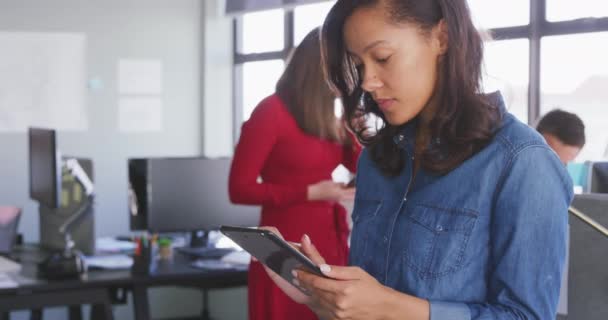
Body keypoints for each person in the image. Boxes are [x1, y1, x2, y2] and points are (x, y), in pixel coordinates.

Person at [260, 1, 573, 319]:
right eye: (358, 64)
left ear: (442, 38)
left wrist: (389, 307)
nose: (367, 82)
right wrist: (324, 298)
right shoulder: (377, 160)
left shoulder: (521, 162)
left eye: (382, 57)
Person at [228, 27, 361, 320]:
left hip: (330, 243)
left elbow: (365, 169)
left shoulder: (331, 117)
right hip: (286, 245)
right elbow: (239, 188)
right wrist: (309, 192)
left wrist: (355, 121)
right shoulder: (270, 112)